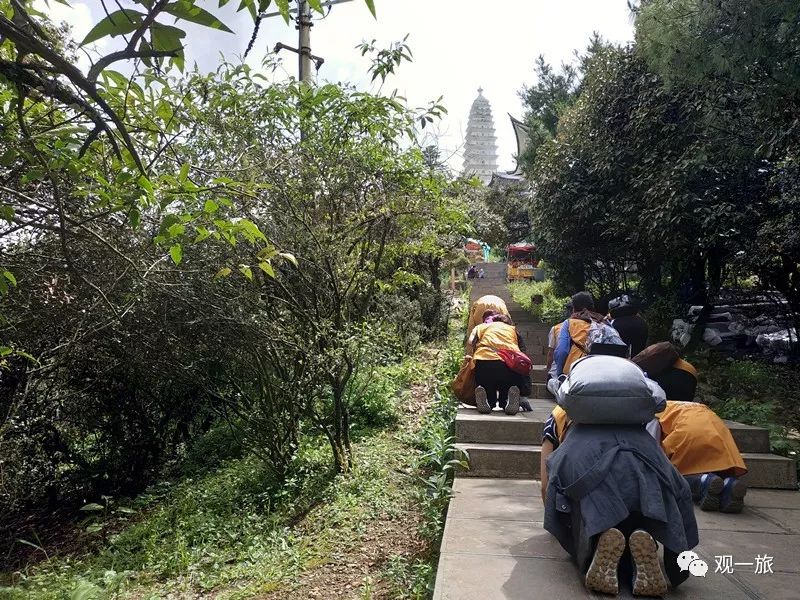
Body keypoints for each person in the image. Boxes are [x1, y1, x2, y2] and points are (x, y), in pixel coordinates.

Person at [541, 359, 698, 597]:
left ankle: (597, 546)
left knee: (584, 511)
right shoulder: (643, 428)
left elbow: (548, 483)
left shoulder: (559, 416)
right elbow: (676, 489)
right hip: (643, 455)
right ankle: (644, 544)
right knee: (645, 505)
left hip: (585, 459)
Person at [647, 401, 748, 514]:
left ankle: (702, 482)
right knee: (720, 465)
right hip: (717, 430)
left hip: (687, 434)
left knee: (673, 476)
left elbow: (650, 449)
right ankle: (729, 482)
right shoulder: (675, 405)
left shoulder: (652, 413)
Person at [467, 313, 526, 415]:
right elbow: (522, 349)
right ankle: (507, 401)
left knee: (486, 384)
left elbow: (470, 341)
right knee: (510, 381)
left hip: (484, 361)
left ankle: (487, 401)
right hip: (508, 364)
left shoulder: (482, 327)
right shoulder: (512, 329)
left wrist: (475, 350)